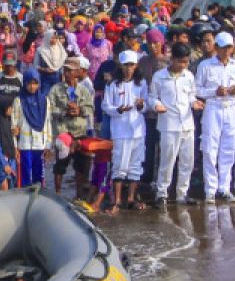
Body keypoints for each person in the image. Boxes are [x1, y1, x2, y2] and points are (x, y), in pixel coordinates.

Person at [150, 42, 203, 207]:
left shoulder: (188, 76)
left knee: (187, 161)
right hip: (169, 124)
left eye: (186, 62)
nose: (183, 65)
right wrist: (157, 105)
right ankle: (162, 193)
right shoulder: (159, 76)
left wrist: (195, 103)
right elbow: (152, 97)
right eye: (181, 62)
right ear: (172, 59)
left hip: (187, 124)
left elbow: (192, 96)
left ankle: (182, 193)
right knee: (167, 160)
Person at [195, 31, 235, 201]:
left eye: (229, 47)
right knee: (209, 149)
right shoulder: (205, 66)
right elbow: (197, 89)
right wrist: (214, 92)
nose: (226, 51)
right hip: (213, 109)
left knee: (229, 148)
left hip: (230, 109)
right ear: (216, 48)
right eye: (223, 48)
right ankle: (210, 189)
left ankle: (225, 187)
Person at [103, 51, 148, 211]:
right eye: (126, 65)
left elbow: (146, 105)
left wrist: (141, 105)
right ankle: (116, 201)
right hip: (120, 131)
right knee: (119, 164)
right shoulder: (113, 85)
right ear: (121, 66)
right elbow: (106, 106)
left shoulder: (141, 83)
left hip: (137, 130)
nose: (129, 68)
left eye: (132, 65)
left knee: (135, 165)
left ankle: (130, 198)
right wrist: (119, 109)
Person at [49, 62, 96, 201]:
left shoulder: (84, 90)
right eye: (65, 71)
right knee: (60, 165)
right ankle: (57, 194)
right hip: (63, 132)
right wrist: (64, 112)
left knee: (81, 166)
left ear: (77, 72)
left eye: (70, 71)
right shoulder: (56, 90)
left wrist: (79, 110)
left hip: (80, 132)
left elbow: (90, 109)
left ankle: (79, 196)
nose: (67, 74)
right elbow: (50, 108)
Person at [15, 70, 50, 187]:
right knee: (25, 177)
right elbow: (13, 125)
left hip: (40, 145)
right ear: (24, 83)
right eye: (29, 83)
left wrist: (48, 145)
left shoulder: (45, 101)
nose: (32, 86)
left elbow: (48, 123)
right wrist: (15, 147)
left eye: (35, 83)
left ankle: (38, 199)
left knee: (39, 177)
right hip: (25, 145)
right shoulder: (19, 101)